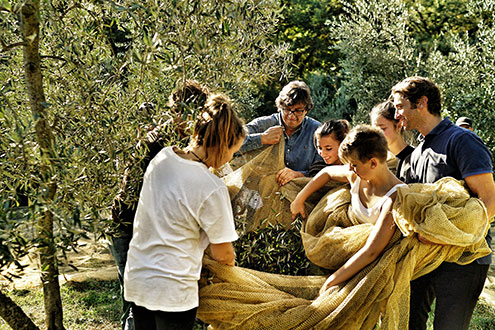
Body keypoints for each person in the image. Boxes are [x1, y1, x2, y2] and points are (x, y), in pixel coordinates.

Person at [123, 93, 244, 330]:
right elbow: (223, 254)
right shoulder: (212, 187)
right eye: (234, 151)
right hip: (173, 291)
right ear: (222, 145)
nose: (231, 158)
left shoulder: (162, 157)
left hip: (138, 278)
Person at [391, 76, 495, 330]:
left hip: (465, 260)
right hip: (425, 257)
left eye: (399, 106)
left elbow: (490, 200)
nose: (396, 114)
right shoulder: (416, 153)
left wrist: (444, 235)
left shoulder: (461, 140)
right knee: (408, 324)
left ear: (422, 103)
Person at [109, 80, 209, 330]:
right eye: (184, 113)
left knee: (144, 302)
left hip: (146, 228)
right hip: (128, 226)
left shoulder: (187, 142)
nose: (190, 121)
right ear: (175, 110)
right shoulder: (158, 143)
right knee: (136, 303)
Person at [290, 125, 405, 290]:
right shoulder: (355, 175)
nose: (350, 169)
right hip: (343, 254)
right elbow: (327, 173)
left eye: (354, 164)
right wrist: (299, 199)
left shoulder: (394, 197)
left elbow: (372, 251)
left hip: (370, 269)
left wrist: (331, 281)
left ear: (373, 163)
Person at [238, 80, 323, 186]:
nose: (291, 115)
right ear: (280, 107)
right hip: (259, 191)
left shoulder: (317, 131)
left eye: (298, 111)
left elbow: (323, 167)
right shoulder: (264, 124)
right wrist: (262, 139)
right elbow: (230, 144)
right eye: (287, 109)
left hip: (300, 193)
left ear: (306, 110)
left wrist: (299, 174)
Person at [370, 100, 414, 181]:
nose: (377, 134)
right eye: (374, 130)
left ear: (399, 125)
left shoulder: (415, 158)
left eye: (382, 129)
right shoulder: (377, 162)